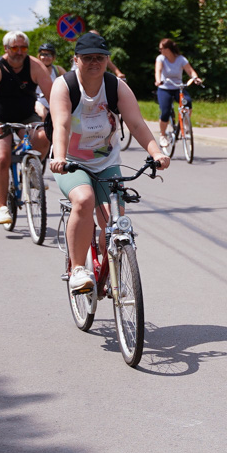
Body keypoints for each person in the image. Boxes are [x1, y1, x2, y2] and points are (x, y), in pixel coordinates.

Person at [49, 33, 170, 293]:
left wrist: (157, 153)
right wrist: (59, 157)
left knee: (113, 223)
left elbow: (136, 123)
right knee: (83, 200)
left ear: (107, 60)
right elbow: (60, 125)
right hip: (71, 162)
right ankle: (79, 270)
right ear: (76, 60)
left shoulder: (115, 86)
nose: (95, 62)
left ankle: (111, 269)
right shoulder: (64, 85)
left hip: (106, 162)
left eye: (100, 58)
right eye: (88, 58)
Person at [0, 31, 53, 224]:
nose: (19, 52)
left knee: (44, 136)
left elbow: (53, 94)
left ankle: (32, 172)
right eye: (14, 48)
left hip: (26, 115)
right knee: (3, 156)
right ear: (6, 49)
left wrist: (59, 117)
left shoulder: (35, 66)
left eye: (23, 48)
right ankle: (2, 207)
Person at [154, 38, 201, 150]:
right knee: (165, 111)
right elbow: (158, 71)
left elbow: (190, 71)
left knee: (187, 102)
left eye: (161, 48)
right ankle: (162, 135)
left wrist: (195, 78)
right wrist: (158, 80)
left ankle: (185, 124)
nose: (160, 50)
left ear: (168, 49)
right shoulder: (161, 58)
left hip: (178, 87)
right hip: (164, 87)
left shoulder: (180, 59)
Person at [34, 43, 67, 120]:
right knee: (43, 115)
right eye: (43, 54)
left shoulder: (57, 70)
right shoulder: (34, 70)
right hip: (38, 99)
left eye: (49, 55)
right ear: (39, 56)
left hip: (54, 100)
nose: (46, 57)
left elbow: (69, 82)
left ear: (53, 57)